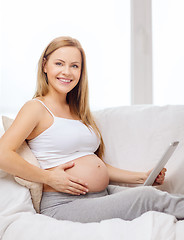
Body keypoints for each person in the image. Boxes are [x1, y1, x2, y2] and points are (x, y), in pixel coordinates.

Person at [0, 36, 183, 223]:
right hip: (64, 204)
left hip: (99, 195)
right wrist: (49, 177)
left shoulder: (78, 112)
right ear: (45, 66)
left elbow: (96, 164)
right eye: (59, 63)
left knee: (152, 193)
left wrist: (142, 177)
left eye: (74, 66)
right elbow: (2, 154)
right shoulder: (36, 108)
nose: (67, 72)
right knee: (148, 198)